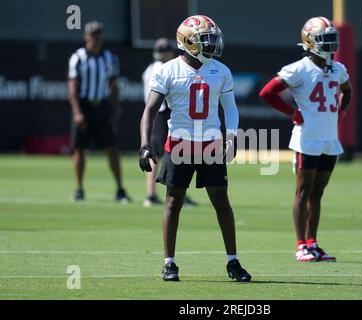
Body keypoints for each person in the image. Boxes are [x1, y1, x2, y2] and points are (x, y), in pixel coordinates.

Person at [139, 15, 251, 282]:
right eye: (205, 40)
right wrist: (145, 145)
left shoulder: (220, 70)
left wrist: (232, 137)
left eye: (212, 39)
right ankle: (169, 263)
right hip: (179, 143)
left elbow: (230, 108)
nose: (211, 45)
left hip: (211, 144)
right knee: (173, 202)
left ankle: (232, 261)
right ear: (188, 42)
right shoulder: (168, 70)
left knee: (221, 202)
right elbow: (150, 110)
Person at [259, 17, 352, 262]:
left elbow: (348, 90)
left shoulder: (338, 69)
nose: (330, 44)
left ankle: (313, 242)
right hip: (307, 139)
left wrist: (341, 112)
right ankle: (301, 245)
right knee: (303, 192)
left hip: (329, 139)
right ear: (310, 42)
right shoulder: (299, 68)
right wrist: (292, 111)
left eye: (333, 39)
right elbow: (267, 92)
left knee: (318, 192)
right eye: (325, 39)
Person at [68, 21, 131, 202]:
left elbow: (113, 86)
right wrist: (77, 112)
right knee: (80, 148)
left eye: (98, 34)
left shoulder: (110, 58)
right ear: (86, 37)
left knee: (112, 148)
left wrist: (116, 110)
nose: (95, 38)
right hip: (84, 105)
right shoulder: (78, 57)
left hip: (102, 106)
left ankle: (120, 189)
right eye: (92, 34)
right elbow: (72, 86)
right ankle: (79, 188)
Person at [141, 38, 198, 207]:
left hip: (154, 114)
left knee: (157, 154)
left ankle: (152, 193)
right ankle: (175, 192)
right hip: (164, 113)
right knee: (172, 153)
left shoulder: (149, 68)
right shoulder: (165, 68)